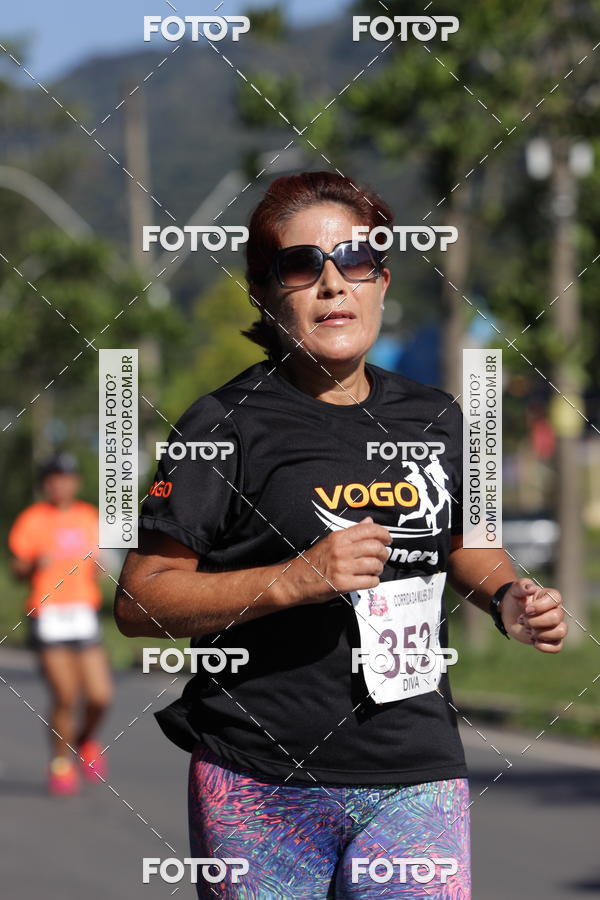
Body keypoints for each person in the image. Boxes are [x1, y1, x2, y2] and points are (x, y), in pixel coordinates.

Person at [115, 171, 567, 898]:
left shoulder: (440, 416)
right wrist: (296, 578)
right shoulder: (223, 425)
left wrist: (509, 594)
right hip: (262, 778)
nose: (333, 284)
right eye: (302, 266)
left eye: (356, 261)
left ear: (383, 283)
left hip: (416, 771)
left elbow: (464, 542)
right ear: (265, 293)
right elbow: (141, 599)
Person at [9, 452, 113, 795]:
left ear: (76, 482)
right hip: (48, 614)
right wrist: (34, 563)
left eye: (66, 477)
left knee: (100, 695)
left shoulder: (89, 517)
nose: (60, 484)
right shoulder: (32, 520)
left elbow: (103, 561)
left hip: (83, 614)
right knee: (66, 695)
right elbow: (16, 569)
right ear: (45, 484)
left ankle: (83, 740)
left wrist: (102, 566)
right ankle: (60, 762)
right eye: (53, 478)